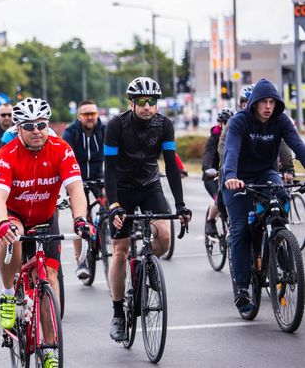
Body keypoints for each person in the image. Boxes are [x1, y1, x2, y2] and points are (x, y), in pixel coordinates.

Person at [0, 98, 93, 368]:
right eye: (29, 126)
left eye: (42, 125)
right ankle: (8, 294)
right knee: (12, 235)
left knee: (48, 280)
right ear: (18, 128)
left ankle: (49, 350)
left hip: (46, 217)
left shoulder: (61, 149)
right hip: (15, 214)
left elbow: (75, 189)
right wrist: (2, 222)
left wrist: (80, 219)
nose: (36, 130)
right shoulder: (6, 154)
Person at [104, 76, 191, 342]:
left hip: (150, 185)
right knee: (120, 250)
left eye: (151, 102)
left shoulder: (164, 125)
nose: (146, 107)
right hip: (122, 189)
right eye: (141, 101)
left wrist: (180, 205)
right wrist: (114, 205)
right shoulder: (116, 126)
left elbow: (171, 165)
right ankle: (118, 313)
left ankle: (144, 266)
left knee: (163, 238)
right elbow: (109, 169)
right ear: (131, 103)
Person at [221, 78, 305, 313]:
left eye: (272, 102)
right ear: (254, 103)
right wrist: (230, 176)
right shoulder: (239, 121)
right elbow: (231, 151)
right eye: (263, 102)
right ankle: (242, 288)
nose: (268, 106)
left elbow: (298, 147)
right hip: (237, 177)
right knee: (240, 228)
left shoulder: (281, 121)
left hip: (266, 173)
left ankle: (278, 242)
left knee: (282, 199)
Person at [62, 99, 106, 280]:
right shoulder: (71, 132)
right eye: (86, 114)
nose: (90, 118)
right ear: (79, 116)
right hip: (76, 180)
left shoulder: (104, 130)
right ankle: (81, 261)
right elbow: (65, 156)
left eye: (93, 114)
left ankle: (107, 233)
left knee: (110, 206)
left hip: (99, 176)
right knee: (80, 218)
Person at [203, 108, 235, 236]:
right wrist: (208, 168)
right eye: (226, 122)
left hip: (229, 175)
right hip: (213, 176)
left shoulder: (235, 135)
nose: (229, 125)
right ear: (220, 123)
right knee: (219, 198)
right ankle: (210, 220)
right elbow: (208, 155)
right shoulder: (214, 139)